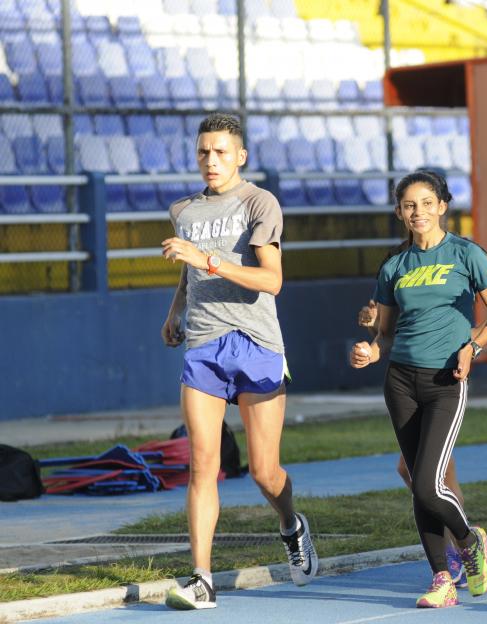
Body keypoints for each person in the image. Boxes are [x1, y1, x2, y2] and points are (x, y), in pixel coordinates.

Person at [160, 113, 316, 610]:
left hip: (256, 341)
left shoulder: (258, 202)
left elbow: (271, 280)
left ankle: (291, 524)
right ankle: (201, 578)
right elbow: (189, 272)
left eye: (222, 151)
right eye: (204, 151)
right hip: (204, 344)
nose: (212, 160)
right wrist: (175, 310)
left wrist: (205, 259)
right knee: (202, 465)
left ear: (241, 155)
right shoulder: (183, 210)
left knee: (264, 472)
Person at [349, 170, 487, 608]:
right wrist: (369, 350)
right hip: (400, 381)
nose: (417, 212)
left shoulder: (466, 254)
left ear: (442, 206)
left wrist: (472, 347)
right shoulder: (394, 265)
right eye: (408, 205)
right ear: (400, 212)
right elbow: (382, 332)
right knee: (421, 483)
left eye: (426, 203)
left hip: (446, 380)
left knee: (425, 484)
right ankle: (442, 577)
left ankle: (469, 542)